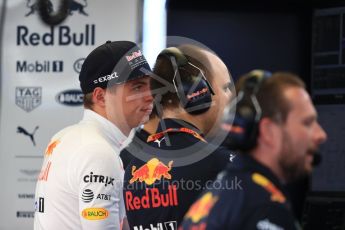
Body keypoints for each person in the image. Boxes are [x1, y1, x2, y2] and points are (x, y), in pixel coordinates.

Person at [180, 71, 327, 229]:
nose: (321, 135)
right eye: (307, 122)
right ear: (269, 131)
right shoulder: (264, 208)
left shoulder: (226, 192)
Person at [34, 41, 154, 230]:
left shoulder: (65, 137)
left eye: (150, 85)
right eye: (137, 87)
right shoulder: (98, 152)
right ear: (100, 97)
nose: (150, 96)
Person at [123, 45, 234, 229]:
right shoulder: (221, 164)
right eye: (225, 87)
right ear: (198, 93)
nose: (230, 97)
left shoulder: (132, 168)